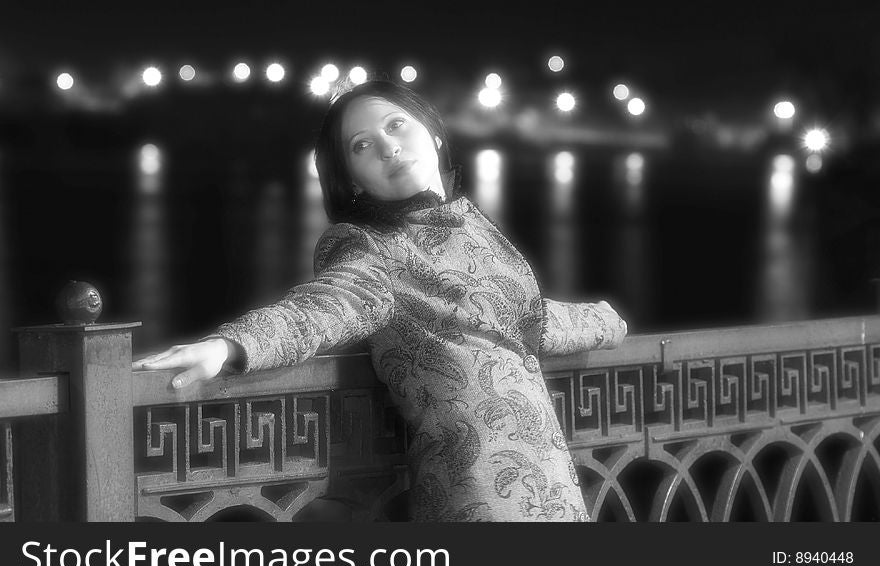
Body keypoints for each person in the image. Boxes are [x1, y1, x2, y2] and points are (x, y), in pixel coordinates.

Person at [132, 80, 628, 522]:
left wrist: (606, 323)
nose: (388, 147)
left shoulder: (471, 226)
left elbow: (523, 320)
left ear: (433, 133)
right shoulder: (372, 247)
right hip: (476, 488)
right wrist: (230, 346)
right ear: (352, 178)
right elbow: (325, 307)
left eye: (397, 126)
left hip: (551, 479)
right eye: (363, 145)